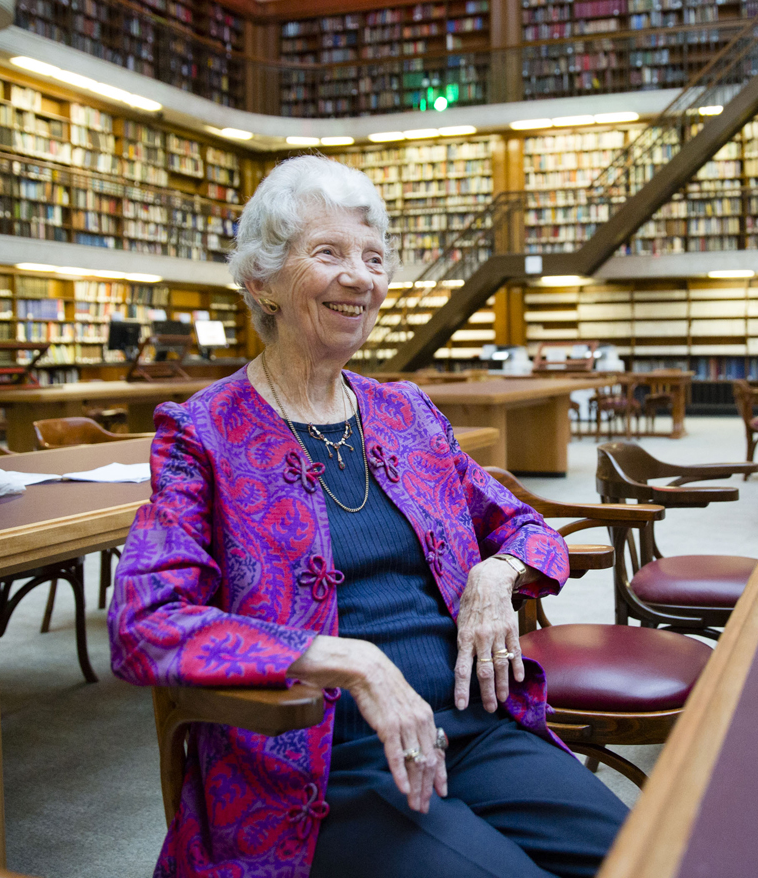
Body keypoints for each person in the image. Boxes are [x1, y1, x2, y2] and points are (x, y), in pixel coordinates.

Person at [109, 155, 628, 878]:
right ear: (261, 282)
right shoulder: (204, 432)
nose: (361, 277)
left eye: (375, 258)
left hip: (474, 723)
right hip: (329, 762)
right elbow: (144, 623)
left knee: (646, 855)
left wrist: (494, 573)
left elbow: (528, 529)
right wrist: (348, 660)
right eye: (329, 253)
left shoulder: (406, 414)